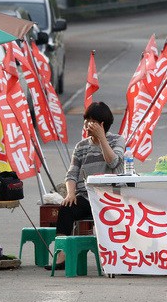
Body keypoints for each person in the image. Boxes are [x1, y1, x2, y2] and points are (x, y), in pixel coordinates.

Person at [45, 101, 125, 270]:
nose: (87, 124)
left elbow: (114, 162)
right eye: (86, 120)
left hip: (110, 198)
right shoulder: (81, 147)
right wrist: (70, 193)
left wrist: (102, 138)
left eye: (92, 121)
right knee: (66, 208)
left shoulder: (117, 140)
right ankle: (62, 255)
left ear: (102, 124)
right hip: (87, 198)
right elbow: (72, 174)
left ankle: (114, 257)